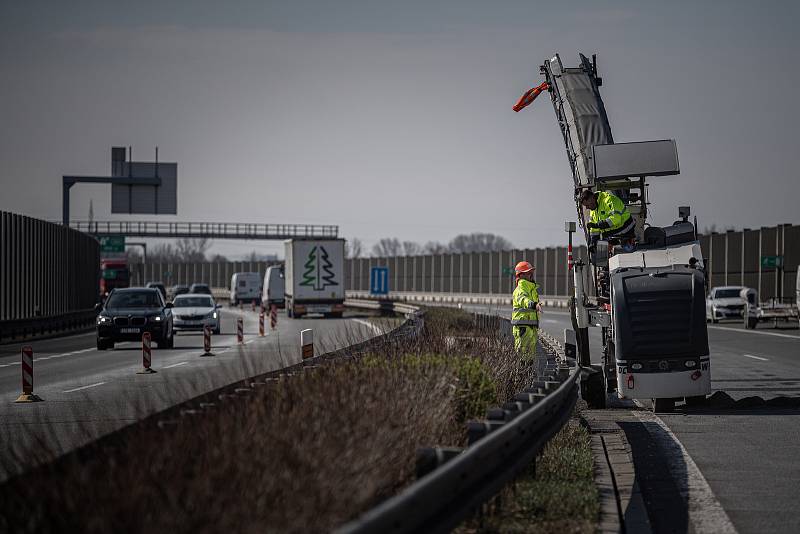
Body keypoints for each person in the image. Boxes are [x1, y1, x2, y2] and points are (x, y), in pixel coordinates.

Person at [511, 261, 541, 361]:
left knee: (529, 357)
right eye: (528, 272)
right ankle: (521, 375)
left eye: (531, 272)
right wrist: (533, 305)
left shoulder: (531, 288)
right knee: (522, 357)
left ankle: (527, 374)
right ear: (521, 275)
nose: (530, 274)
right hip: (523, 327)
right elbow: (523, 299)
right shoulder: (521, 288)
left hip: (530, 326)